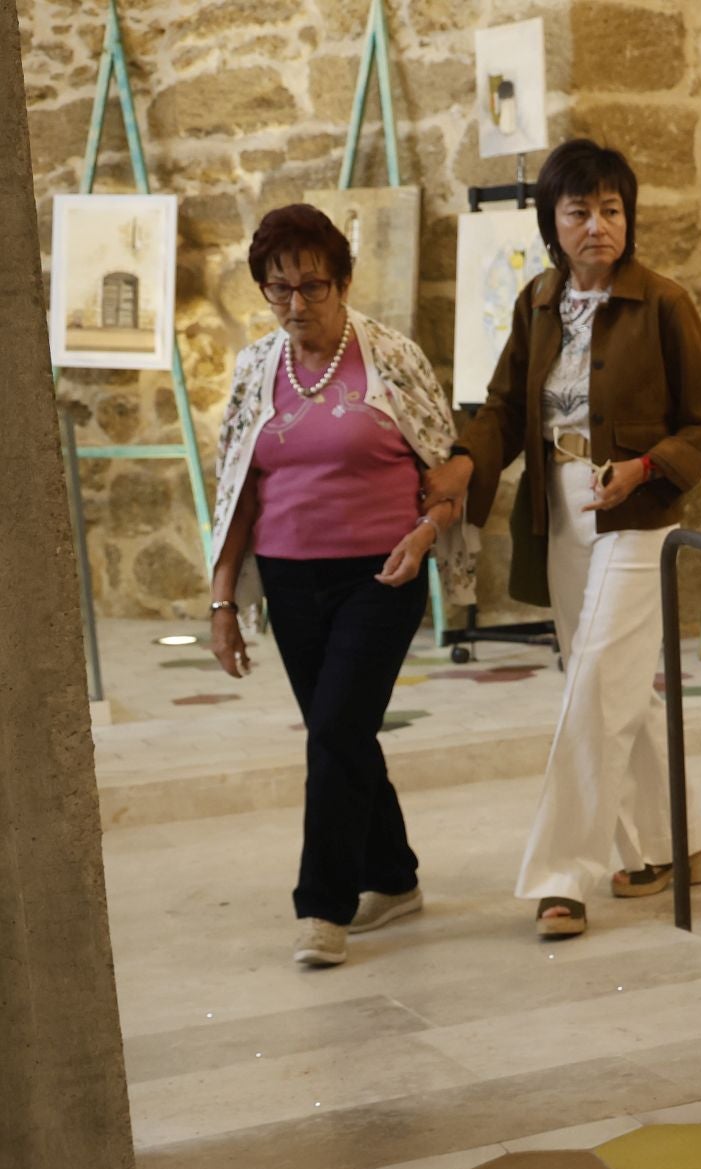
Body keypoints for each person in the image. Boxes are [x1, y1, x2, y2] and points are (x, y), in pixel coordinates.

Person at [423, 139, 701, 939]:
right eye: (580, 211)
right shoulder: (536, 303)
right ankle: (674, 842)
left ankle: (564, 876)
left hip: (637, 512)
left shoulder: (664, 303)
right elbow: (501, 414)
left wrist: (647, 467)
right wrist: (463, 464)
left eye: (612, 209)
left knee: (597, 683)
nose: (598, 226)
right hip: (558, 511)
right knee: (613, 684)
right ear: (551, 223)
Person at [207, 204, 476, 968]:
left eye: (313, 287)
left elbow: (447, 470)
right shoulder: (256, 368)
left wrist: (425, 535)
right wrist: (225, 602)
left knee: (332, 733)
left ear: (345, 281)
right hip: (290, 580)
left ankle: (322, 906)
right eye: (278, 288)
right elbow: (236, 492)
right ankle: (393, 876)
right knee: (345, 734)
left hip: (380, 573)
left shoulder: (391, 356)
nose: (296, 305)